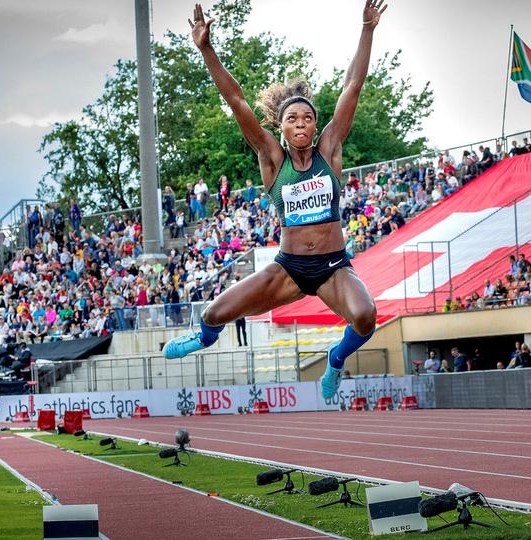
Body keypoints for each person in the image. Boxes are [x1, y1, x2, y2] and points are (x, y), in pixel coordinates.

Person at [164, 2, 385, 401]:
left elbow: (353, 83)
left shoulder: (330, 151)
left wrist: (367, 30)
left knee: (366, 316)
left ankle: (336, 360)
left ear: (316, 125)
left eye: (307, 119)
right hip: (289, 268)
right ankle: (204, 337)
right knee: (214, 313)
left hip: (333, 266)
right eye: (292, 120)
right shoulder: (272, 160)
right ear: (280, 128)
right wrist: (206, 49)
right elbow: (236, 101)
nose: (301, 124)